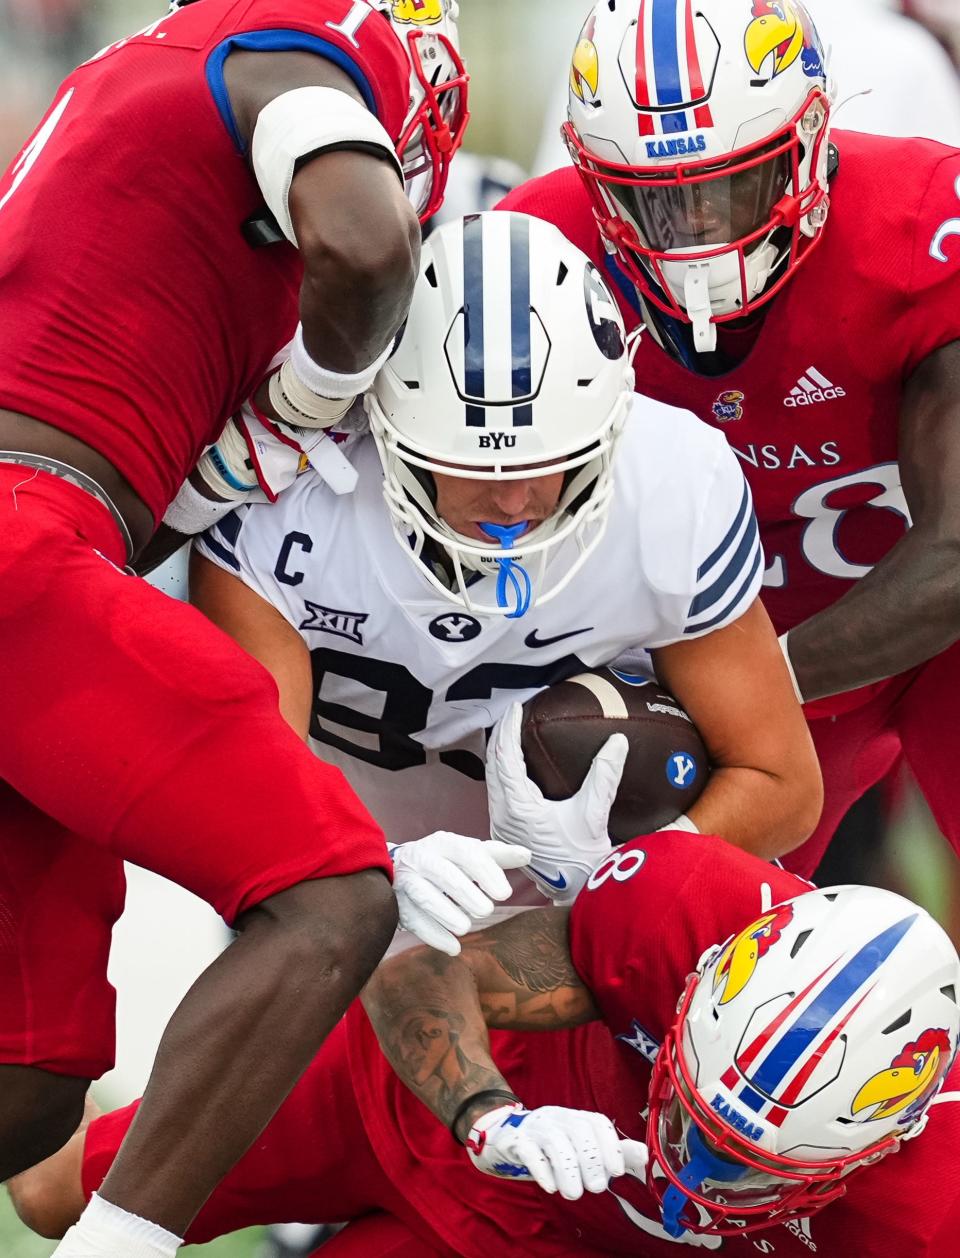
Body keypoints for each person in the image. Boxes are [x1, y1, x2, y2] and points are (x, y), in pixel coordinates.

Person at [0, 1, 473, 1255]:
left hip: (47, 549)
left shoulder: (140, 109)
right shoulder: (286, 53)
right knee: (333, 890)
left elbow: (115, 480)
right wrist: (318, 385)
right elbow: (367, 249)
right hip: (19, 539)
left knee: (28, 1086)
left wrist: (221, 464)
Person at [188, 208, 822, 939]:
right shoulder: (284, 503)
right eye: (469, 469)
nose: (516, 501)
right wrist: (379, 866)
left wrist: (631, 875)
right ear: (383, 421)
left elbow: (782, 784)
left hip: (588, 916)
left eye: (548, 461)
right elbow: (249, 793)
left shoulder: (671, 484)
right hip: (339, 883)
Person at [499, 0, 960, 879]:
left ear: (810, 140)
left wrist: (755, 682)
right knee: (643, 944)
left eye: (731, 184)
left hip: (915, 632)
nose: (699, 229)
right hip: (705, 665)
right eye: (657, 200)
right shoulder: (540, 253)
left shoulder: (920, 219)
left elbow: (958, 548)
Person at [11, 829, 960, 1256]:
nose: (693, 1166)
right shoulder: (681, 907)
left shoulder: (928, 1218)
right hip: (412, 1101)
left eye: (745, 1163)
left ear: (886, 1142)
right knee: (51, 1198)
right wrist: (489, 1118)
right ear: (691, 998)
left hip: (556, 1246)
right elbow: (416, 971)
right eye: (691, 1108)